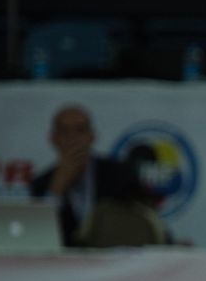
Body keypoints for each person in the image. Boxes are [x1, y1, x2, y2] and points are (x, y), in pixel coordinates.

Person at [29, 104, 158, 247]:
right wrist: (56, 190)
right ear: (53, 139)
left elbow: (145, 218)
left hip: (115, 262)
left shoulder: (119, 174)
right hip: (62, 265)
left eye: (80, 130)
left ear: (92, 136)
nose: (73, 138)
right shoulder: (41, 184)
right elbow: (37, 237)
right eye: (64, 131)